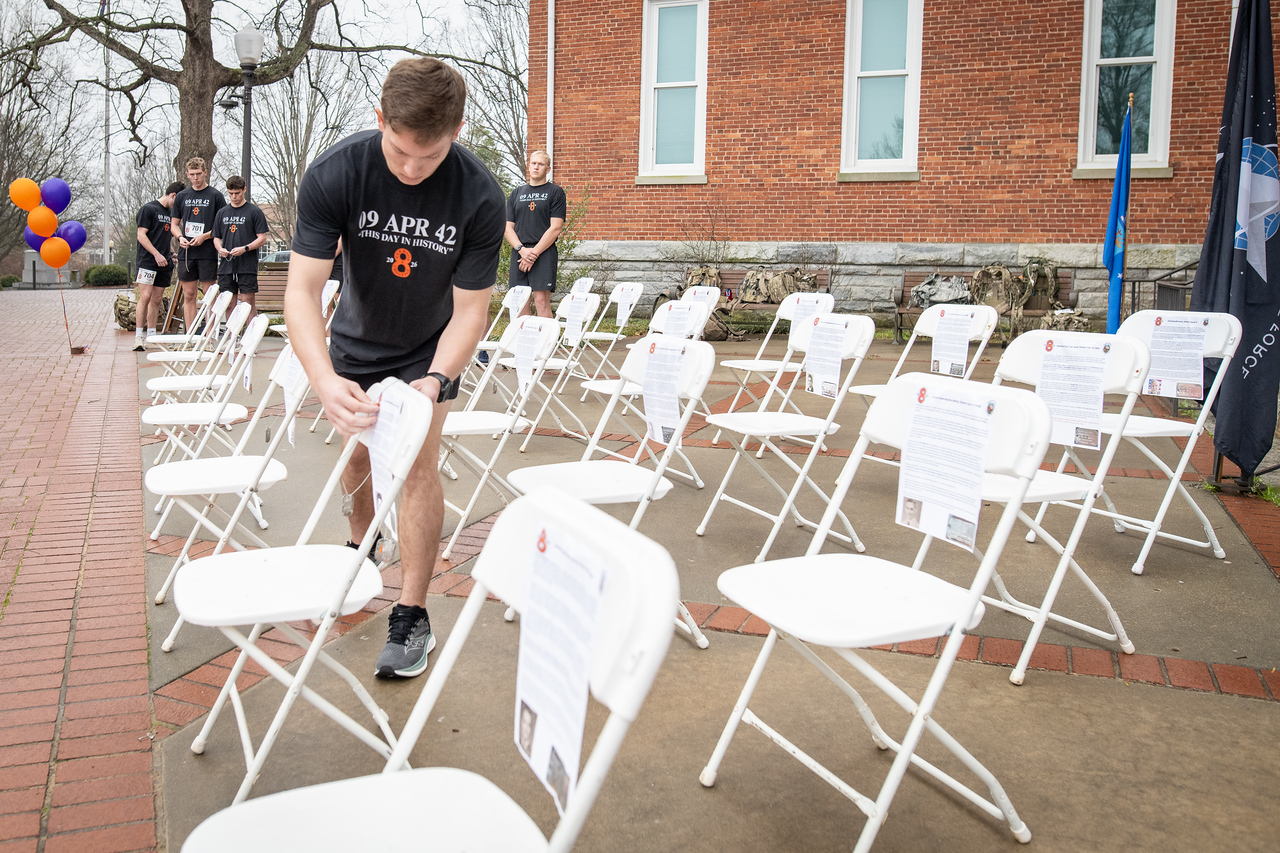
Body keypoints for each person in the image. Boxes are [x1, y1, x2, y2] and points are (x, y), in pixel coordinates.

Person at [285, 57, 505, 679]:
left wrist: (435, 380)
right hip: (355, 340)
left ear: (456, 132)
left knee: (414, 467)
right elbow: (301, 291)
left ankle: (412, 612)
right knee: (359, 456)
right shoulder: (337, 172)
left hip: (430, 347)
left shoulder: (480, 196)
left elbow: (471, 312)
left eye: (429, 156)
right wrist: (324, 379)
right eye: (401, 151)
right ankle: (361, 546)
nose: (412, 169)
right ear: (379, 119)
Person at [505, 150, 565, 318]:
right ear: (528, 166)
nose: (536, 167)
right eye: (533, 163)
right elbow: (507, 228)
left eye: (540, 164)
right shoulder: (516, 193)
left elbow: (555, 228)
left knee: (540, 300)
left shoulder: (555, 192)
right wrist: (521, 249)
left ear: (548, 169)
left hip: (543, 253)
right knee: (520, 302)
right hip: (520, 252)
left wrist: (533, 254)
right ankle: (525, 343)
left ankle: (547, 344)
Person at [172, 157, 226, 331]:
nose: (195, 178)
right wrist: (180, 237)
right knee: (189, 295)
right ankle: (191, 334)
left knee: (210, 295)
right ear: (187, 175)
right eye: (192, 174)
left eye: (198, 174)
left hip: (207, 252)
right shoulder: (182, 196)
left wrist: (205, 236)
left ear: (205, 172)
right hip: (187, 253)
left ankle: (209, 336)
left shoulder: (216, 196)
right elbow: (174, 225)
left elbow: (221, 225)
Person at [133, 181, 184, 350]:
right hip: (148, 261)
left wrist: (169, 252)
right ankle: (139, 336)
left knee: (156, 299)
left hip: (164, 263)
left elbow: (163, 237)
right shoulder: (149, 209)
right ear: (173, 196)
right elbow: (142, 235)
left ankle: (152, 335)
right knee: (145, 296)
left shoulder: (170, 214)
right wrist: (156, 254)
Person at [212, 175, 270, 318]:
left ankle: (249, 338)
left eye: (237, 193)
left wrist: (245, 248)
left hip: (247, 265)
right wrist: (220, 249)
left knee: (247, 303)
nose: (233, 197)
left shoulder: (254, 212)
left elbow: (262, 238)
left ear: (244, 190)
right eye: (230, 193)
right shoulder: (222, 213)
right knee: (229, 304)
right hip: (227, 265)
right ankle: (232, 337)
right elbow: (216, 237)